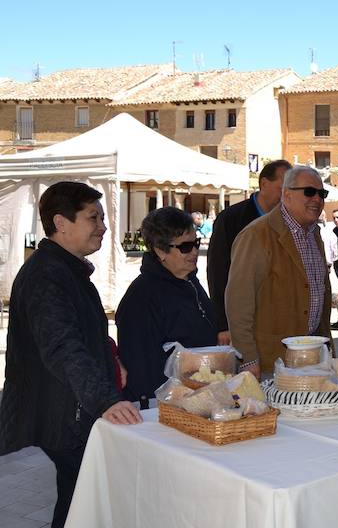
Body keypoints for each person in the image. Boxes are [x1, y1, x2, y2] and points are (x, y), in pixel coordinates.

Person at [0, 182, 142, 528]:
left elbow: (83, 332)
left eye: (103, 217)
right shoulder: (48, 275)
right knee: (83, 497)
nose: (103, 227)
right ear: (61, 223)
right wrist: (106, 399)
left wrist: (111, 358)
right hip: (61, 410)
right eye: (93, 218)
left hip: (71, 406)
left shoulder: (66, 269)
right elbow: (62, 345)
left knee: (78, 496)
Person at [225, 165, 334, 377]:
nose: (317, 199)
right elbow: (238, 301)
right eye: (309, 192)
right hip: (272, 362)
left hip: (313, 358)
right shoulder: (257, 235)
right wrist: (248, 358)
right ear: (287, 194)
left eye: (322, 194)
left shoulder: (314, 234)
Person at [117, 207, 219, 408]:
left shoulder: (189, 282)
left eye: (196, 243)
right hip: (165, 406)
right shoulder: (142, 297)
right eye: (185, 247)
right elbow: (142, 367)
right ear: (160, 251)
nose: (195, 251)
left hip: (197, 397)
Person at [207, 159, 291, 345]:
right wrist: (223, 324)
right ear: (264, 184)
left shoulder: (289, 221)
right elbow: (217, 271)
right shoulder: (231, 219)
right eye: (282, 188)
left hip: (277, 322)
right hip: (241, 320)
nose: (286, 195)